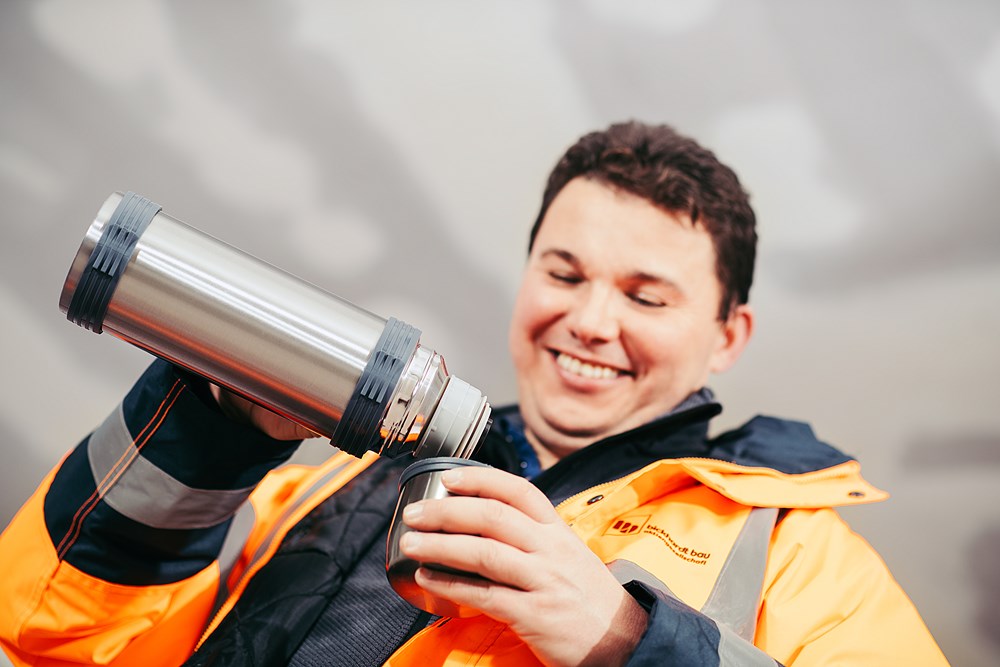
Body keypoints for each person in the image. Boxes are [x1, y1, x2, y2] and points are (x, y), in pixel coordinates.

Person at [0, 121, 948, 666]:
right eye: (564, 271)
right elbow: (56, 638)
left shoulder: (795, 557)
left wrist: (627, 636)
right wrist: (209, 437)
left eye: (645, 295)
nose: (588, 319)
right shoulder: (329, 486)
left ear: (727, 335)